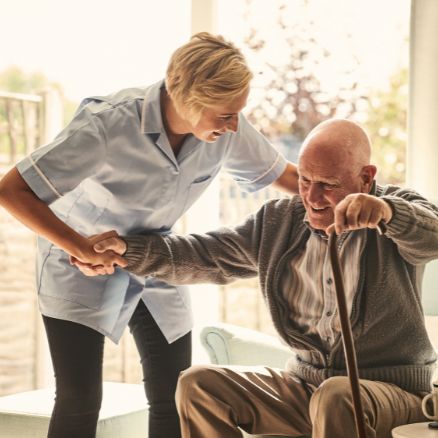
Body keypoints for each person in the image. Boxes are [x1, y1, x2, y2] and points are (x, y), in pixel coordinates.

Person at [0, 33, 299, 438]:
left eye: (236, 115)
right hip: (78, 264)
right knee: (79, 398)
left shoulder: (228, 126)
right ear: (189, 99)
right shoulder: (108, 125)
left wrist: (357, 196)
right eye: (225, 116)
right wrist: (79, 246)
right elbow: (12, 190)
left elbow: (290, 178)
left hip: (157, 258)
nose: (233, 127)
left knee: (174, 394)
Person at [82, 119, 438, 438]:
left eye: (328, 185)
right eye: (304, 180)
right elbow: (205, 255)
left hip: (393, 393)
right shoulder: (279, 222)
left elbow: (432, 233)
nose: (312, 198)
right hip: (306, 387)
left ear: (366, 177)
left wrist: (388, 214)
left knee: (337, 396)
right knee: (198, 384)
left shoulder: (393, 209)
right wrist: (126, 251)